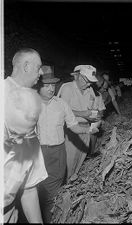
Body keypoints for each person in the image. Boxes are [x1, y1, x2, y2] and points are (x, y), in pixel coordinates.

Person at [35, 66, 99, 223]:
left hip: (58, 152)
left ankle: (52, 218)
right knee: (36, 191)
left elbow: (74, 126)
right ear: (38, 86)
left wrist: (90, 129)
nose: (51, 89)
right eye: (46, 85)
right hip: (38, 153)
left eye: (52, 85)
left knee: (53, 192)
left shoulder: (61, 104)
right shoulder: (31, 103)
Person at [3, 48, 47, 223]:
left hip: (9, 209)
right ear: (26, 66)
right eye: (39, 67)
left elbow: (28, 187)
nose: (42, 72)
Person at [57, 65, 103, 180]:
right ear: (80, 77)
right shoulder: (67, 88)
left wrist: (95, 116)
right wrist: (83, 114)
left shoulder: (90, 90)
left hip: (86, 129)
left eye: (91, 82)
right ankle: (64, 188)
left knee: (79, 162)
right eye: (87, 81)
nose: (89, 85)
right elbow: (60, 110)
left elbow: (93, 109)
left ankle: (71, 185)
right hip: (71, 131)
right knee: (69, 162)